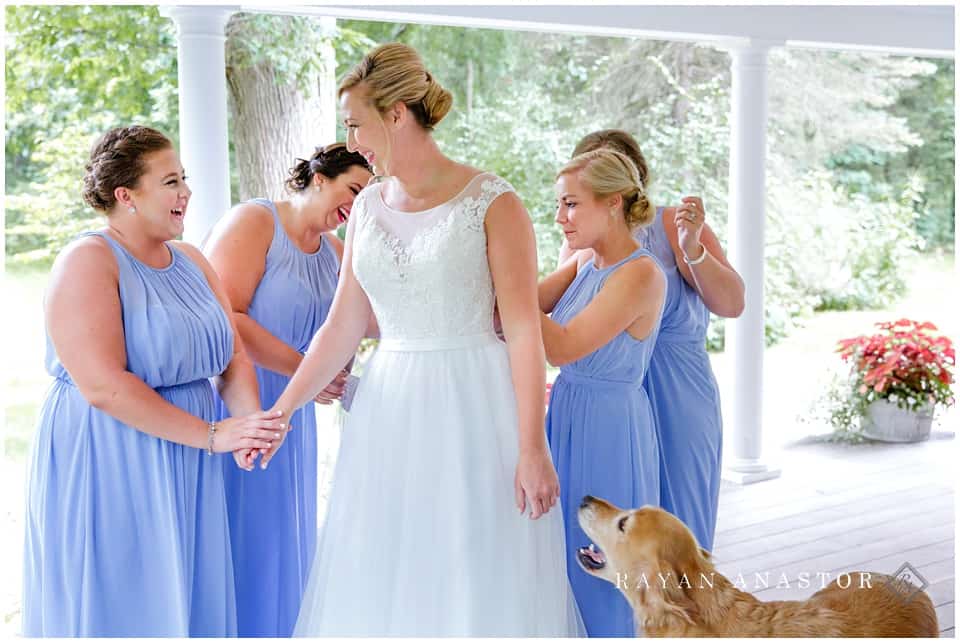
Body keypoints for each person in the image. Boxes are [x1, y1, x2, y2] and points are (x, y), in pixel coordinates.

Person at [260, 43, 583, 636]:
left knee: (473, 563)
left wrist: (533, 449)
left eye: (356, 123)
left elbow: (522, 330)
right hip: (390, 411)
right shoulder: (366, 211)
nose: (351, 140)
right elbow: (342, 325)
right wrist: (280, 413)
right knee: (388, 564)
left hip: (475, 407)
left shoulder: (494, 201)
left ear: (398, 113)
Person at [21, 125, 285, 637]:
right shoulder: (88, 259)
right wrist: (212, 435)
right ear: (127, 196)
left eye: (183, 179)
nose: (186, 192)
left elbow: (231, 357)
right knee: (126, 596)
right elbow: (104, 386)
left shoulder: (191, 260)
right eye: (170, 182)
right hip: (113, 449)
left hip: (190, 453)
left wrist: (248, 424)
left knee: (188, 591)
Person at [202, 143, 372, 636]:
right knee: (242, 530)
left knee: (281, 535)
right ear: (320, 177)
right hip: (243, 396)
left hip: (295, 412)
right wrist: (307, 371)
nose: (356, 207)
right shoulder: (254, 222)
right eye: (353, 191)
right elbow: (226, 316)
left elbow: (356, 322)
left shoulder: (337, 252)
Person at [560, 129, 745, 552]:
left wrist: (692, 248)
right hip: (617, 397)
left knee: (682, 528)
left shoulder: (670, 224)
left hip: (678, 392)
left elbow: (733, 303)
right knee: (623, 531)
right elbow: (566, 318)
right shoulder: (583, 242)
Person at [540, 148, 666, 636]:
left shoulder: (640, 273)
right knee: (563, 553)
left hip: (610, 427)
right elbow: (520, 304)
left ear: (613, 203)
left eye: (571, 204)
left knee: (602, 563)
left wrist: (508, 290)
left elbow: (564, 345)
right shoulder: (584, 262)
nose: (559, 217)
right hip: (568, 413)